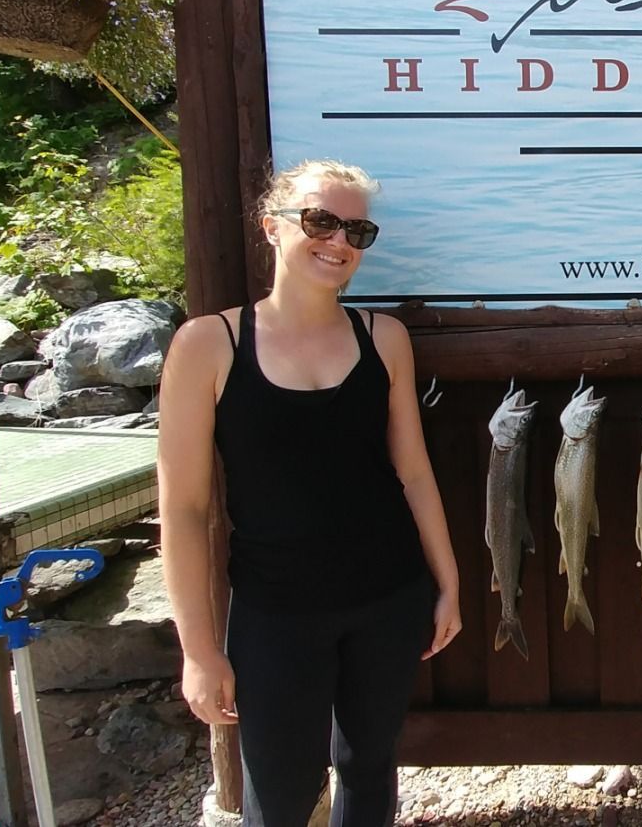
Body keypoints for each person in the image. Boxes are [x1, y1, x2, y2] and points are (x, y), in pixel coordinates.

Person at [159, 159, 462, 826]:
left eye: (357, 229)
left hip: (388, 597)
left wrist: (448, 583)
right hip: (275, 611)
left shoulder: (384, 338)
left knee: (369, 768)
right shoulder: (208, 345)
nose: (339, 240)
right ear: (272, 228)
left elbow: (412, 472)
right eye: (321, 220)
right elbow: (182, 510)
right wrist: (199, 649)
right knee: (281, 788)